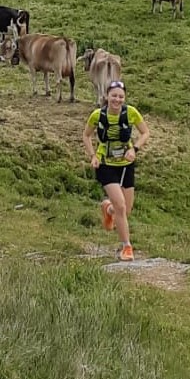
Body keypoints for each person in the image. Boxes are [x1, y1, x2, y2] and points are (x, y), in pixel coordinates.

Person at [82, 79, 150, 262]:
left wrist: (134, 149)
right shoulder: (97, 115)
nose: (117, 100)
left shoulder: (131, 113)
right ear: (107, 96)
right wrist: (93, 156)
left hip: (126, 166)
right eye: (114, 96)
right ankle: (126, 247)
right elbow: (86, 135)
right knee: (121, 205)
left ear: (124, 98)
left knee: (125, 211)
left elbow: (145, 133)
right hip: (106, 165)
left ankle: (108, 209)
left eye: (121, 96)